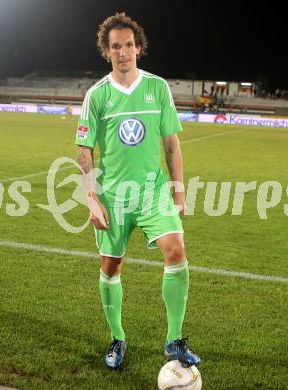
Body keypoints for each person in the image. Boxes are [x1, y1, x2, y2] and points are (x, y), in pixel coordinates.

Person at [75, 12, 201, 369]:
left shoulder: (157, 88)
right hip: (113, 196)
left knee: (176, 250)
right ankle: (118, 338)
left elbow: (172, 146)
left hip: (152, 191)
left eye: (129, 45)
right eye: (116, 46)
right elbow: (85, 151)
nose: (123, 52)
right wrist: (91, 196)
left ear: (139, 48)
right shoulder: (96, 95)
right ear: (107, 51)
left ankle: (174, 341)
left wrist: (177, 190)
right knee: (110, 267)